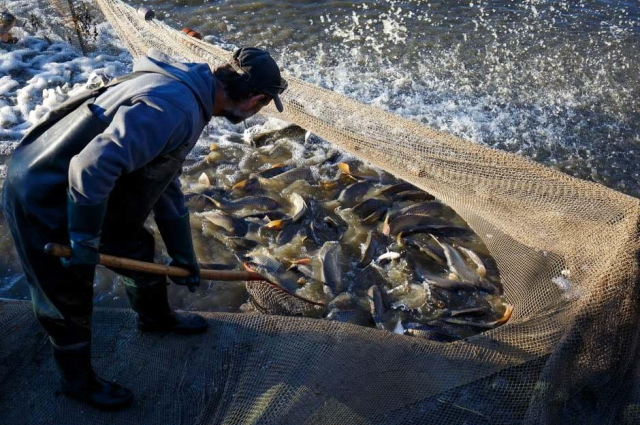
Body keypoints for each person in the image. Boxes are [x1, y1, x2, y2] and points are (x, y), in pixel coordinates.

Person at [1, 47, 287, 410]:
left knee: (133, 244)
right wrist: (82, 237)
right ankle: (78, 382)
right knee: (65, 291)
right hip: (42, 191)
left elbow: (160, 173)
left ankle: (155, 318)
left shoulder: (191, 90)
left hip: (82, 184)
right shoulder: (175, 108)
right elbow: (89, 169)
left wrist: (182, 248)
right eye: (263, 105)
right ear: (257, 99)